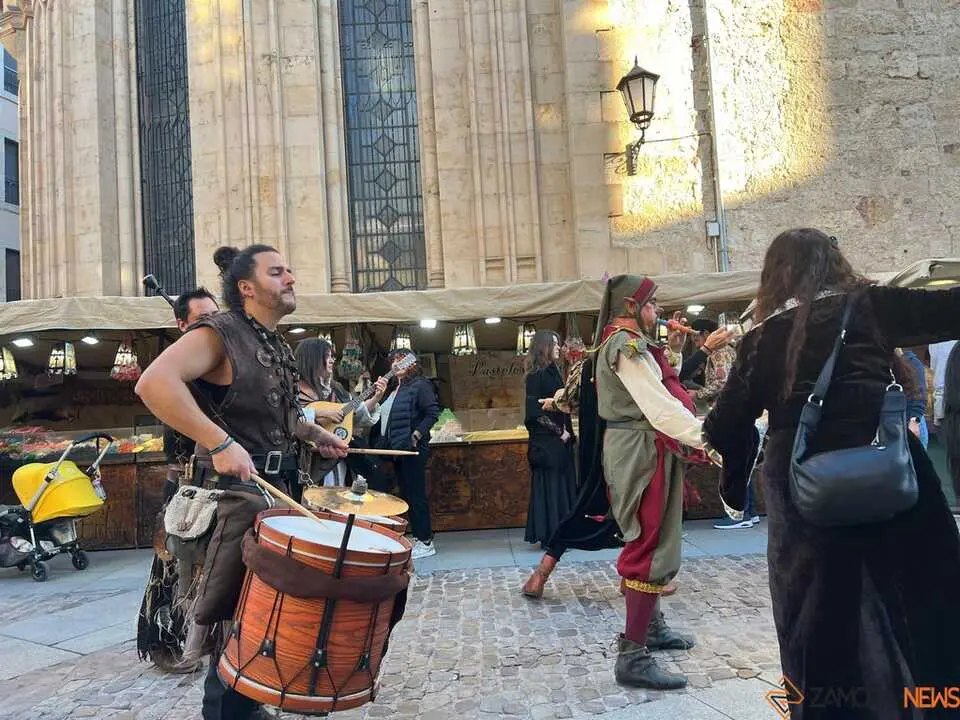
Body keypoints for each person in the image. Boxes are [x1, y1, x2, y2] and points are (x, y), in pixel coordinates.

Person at [703, 228, 960, 719]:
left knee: (818, 616)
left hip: (802, 490)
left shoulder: (758, 340)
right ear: (835, 263)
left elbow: (726, 425)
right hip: (887, 471)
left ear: (775, 276)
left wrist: (734, 481)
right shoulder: (870, 306)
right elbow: (950, 308)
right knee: (916, 594)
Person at [135, 244, 348, 720]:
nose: (290, 277)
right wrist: (217, 441)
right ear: (247, 288)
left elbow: (280, 415)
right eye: (278, 272)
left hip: (275, 499)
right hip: (235, 505)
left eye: (290, 269)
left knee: (262, 624)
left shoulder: (274, 343)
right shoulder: (221, 332)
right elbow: (154, 382)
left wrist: (314, 434)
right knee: (236, 628)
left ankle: (249, 708)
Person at [137, 287, 219, 673]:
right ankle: (164, 643)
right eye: (201, 320)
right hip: (185, 482)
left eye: (214, 319)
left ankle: (206, 640)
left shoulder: (217, 366)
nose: (210, 327)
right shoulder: (178, 370)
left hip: (216, 484)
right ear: (181, 324)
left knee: (208, 571)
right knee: (172, 567)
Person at [295, 337, 387, 489]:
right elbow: (286, 417)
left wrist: (376, 397)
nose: (332, 361)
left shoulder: (336, 389)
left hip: (338, 460)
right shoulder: (292, 389)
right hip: (304, 462)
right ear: (312, 358)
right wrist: (319, 412)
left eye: (332, 356)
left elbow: (354, 415)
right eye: (327, 356)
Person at [374, 349, 440, 559]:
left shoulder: (420, 385)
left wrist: (417, 434)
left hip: (412, 450)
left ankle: (426, 540)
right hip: (399, 450)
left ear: (413, 363)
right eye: (393, 360)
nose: (396, 364)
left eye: (401, 360)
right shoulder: (396, 389)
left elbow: (432, 413)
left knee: (416, 495)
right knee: (407, 494)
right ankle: (420, 537)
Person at [523, 330, 578, 547]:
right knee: (552, 488)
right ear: (544, 347)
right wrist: (560, 432)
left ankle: (560, 533)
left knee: (558, 487)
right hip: (547, 444)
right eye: (554, 344)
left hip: (556, 443)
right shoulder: (538, 374)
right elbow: (533, 412)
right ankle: (552, 535)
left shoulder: (552, 370)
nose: (558, 347)